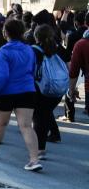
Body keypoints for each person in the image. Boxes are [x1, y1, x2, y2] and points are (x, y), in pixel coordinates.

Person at [0, 18, 42, 171]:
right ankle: (34, 159)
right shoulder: (29, 50)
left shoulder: (3, 52)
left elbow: (2, 77)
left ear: (5, 33)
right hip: (27, 90)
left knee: (0, 123)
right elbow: (33, 70)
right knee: (26, 126)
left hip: (6, 92)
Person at [31, 24, 66, 158]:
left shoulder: (34, 50)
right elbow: (68, 63)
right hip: (57, 90)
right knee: (45, 115)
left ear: (36, 36)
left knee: (38, 118)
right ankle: (41, 147)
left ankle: (39, 149)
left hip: (40, 88)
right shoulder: (58, 48)